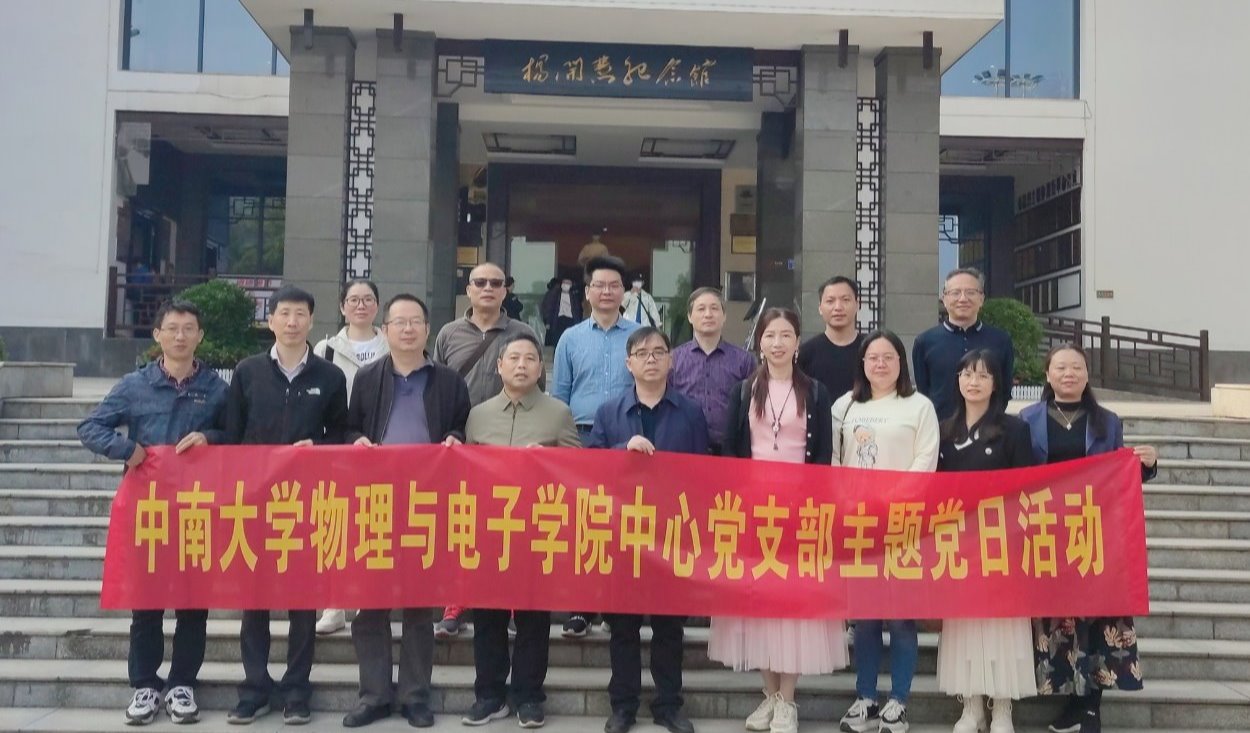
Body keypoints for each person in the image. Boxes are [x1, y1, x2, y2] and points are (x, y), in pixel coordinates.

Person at [77, 300, 227, 726]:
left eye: (189, 328)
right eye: (172, 328)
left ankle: (182, 685)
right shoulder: (134, 385)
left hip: (198, 509)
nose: (181, 336)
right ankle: (144, 684)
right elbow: (90, 427)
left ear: (200, 336)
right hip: (149, 511)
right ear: (158, 335)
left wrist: (210, 437)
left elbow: (237, 432)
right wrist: (127, 449)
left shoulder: (216, 388)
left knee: (193, 603)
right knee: (146, 602)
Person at [340, 293, 471, 729]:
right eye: (399, 322)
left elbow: (460, 425)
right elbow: (351, 427)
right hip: (376, 502)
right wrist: (357, 441)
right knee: (370, 605)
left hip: (427, 505)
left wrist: (454, 439)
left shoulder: (449, 381)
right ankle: (374, 695)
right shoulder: (368, 378)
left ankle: (415, 696)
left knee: (419, 606)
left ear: (428, 329)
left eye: (416, 322)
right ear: (385, 330)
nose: (408, 329)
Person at [711, 308, 844, 733]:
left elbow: (822, 456)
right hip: (754, 513)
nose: (778, 343)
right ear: (759, 341)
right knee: (758, 604)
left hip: (799, 513)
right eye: (770, 335)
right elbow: (731, 450)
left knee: (794, 605)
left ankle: (788, 700)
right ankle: (769, 695)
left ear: (797, 342)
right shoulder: (744, 390)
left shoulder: (816, 392)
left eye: (786, 335)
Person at [223, 285, 348, 726]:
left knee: (302, 601)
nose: (292, 322)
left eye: (300, 314)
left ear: (312, 321)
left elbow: (342, 434)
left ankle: (297, 690)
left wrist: (319, 448)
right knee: (254, 600)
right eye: (284, 314)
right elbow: (232, 435)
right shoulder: (248, 371)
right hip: (256, 502)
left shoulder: (329, 376)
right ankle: (254, 688)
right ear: (270, 319)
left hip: (307, 502)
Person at [1019, 344, 1158, 733]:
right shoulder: (1027, 419)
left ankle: (1090, 707)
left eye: (1076, 367)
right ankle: (1069, 701)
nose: (1069, 374)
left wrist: (1147, 466)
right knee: (1058, 620)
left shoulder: (1107, 421)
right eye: (1061, 367)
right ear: (1047, 374)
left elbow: (1119, 476)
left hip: (1093, 534)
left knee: (1095, 618)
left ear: (1086, 374)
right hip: (1046, 534)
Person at [586, 326, 704, 733]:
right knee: (623, 627)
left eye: (658, 352)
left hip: (673, 534)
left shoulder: (690, 412)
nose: (651, 359)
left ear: (671, 360)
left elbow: (703, 475)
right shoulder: (609, 412)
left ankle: (668, 704)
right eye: (642, 353)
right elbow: (591, 469)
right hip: (624, 535)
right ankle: (623, 706)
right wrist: (623, 451)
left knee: (670, 627)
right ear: (628, 363)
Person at [463, 332, 580, 729]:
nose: (521, 365)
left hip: (537, 531)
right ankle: (489, 695)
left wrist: (550, 461)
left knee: (533, 618)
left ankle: (529, 696)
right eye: (513, 358)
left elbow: (580, 470)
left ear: (540, 368)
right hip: (489, 532)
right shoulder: (478, 414)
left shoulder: (558, 413)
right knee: (487, 617)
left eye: (530, 358)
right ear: (499, 366)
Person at [832, 329, 939, 733]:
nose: (880, 364)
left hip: (902, 525)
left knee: (900, 617)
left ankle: (898, 701)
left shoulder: (919, 406)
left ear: (900, 363)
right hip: (858, 525)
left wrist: (891, 501)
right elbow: (834, 460)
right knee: (865, 618)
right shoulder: (845, 405)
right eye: (873, 358)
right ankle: (865, 698)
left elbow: (925, 459)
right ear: (862, 363)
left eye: (888, 357)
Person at [433, 262, 542, 637]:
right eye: (480, 282)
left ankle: (510, 603)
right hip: (463, 441)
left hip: (511, 441)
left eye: (496, 283)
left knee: (510, 527)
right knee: (464, 526)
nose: (488, 288)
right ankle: (457, 601)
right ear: (468, 288)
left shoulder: (522, 333)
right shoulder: (449, 333)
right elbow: (439, 386)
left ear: (505, 290)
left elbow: (537, 383)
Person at [936, 349, 1036, 733]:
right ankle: (971, 706)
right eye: (967, 374)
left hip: (1001, 541)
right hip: (958, 543)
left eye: (983, 375)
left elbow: (1025, 487)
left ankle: (1002, 708)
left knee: (1001, 627)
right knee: (963, 625)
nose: (973, 382)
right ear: (957, 381)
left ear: (996, 383)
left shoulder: (1014, 429)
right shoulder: (944, 430)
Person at [552, 255, 639, 638]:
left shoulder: (639, 336)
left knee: (624, 524)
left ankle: (619, 605)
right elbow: (560, 394)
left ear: (624, 292)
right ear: (587, 292)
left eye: (614, 285)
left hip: (627, 437)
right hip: (581, 437)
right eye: (599, 285)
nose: (606, 292)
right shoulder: (570, 338)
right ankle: (581, 608)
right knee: (583, 525)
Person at [314, 278, 389, 636]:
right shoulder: (326, 349)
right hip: (340, 448)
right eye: (354, 300)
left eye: (368, 299)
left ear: (378, 306)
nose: (361, 305)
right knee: (337, 525)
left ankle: (366, 601)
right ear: (342, 307)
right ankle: (334, 604)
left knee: (375, 525)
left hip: (384, 448)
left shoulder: (393, 344)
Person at [912, 268, 1014, 419]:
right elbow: (924, 393)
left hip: (989, 428)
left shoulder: (1001, 340)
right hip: (940, 428)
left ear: (981, 298)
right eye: (955, 293)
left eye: (970, 292)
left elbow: (1004, 391)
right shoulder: (925, 342)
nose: (963, 299)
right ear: (944, 299)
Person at [669, 287, 756, 455]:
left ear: (724, 316)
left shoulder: (744, 360)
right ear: (690, 317)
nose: (708, 314)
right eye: (701, 309)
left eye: (714, 308)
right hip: (685, 448)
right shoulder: (673, 359)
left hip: (729, 450)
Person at [797, 276, 864, 402]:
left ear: (857, 304)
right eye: (830, 301)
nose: (838, 307)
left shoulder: (870, 349)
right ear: (820, 308)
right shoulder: (805, 353)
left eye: (845, 300)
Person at [541, 276, 582, 348]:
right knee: (557, 341)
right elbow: (549, 308)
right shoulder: (555, 294)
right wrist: (548, 322)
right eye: (565, 283)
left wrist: (578, 322)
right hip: (558, 320)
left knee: (570, 341)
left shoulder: (574, 295)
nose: (566, 285)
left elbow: (578, 309)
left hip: (570, 320)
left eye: (568, 283)